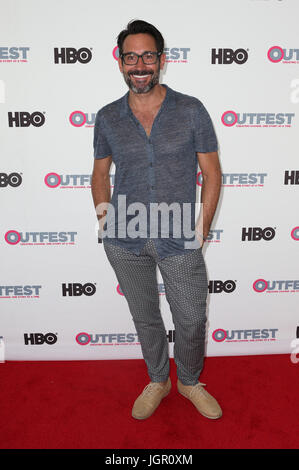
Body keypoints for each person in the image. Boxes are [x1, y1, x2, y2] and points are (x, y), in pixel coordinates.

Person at [91, 19, 222, 420]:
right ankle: (157, 379)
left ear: (161, 60)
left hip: (178, 234)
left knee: (192, 317)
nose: (140, 64)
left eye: (148, 55)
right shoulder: (108, 117)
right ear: (120, 63)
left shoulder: (190, 109)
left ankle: (189, 381)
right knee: (145, 316)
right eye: (131, 57)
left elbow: (212, 173)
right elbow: (99, 173)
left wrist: (201, 228)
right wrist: (104, 220)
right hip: (124, 238)